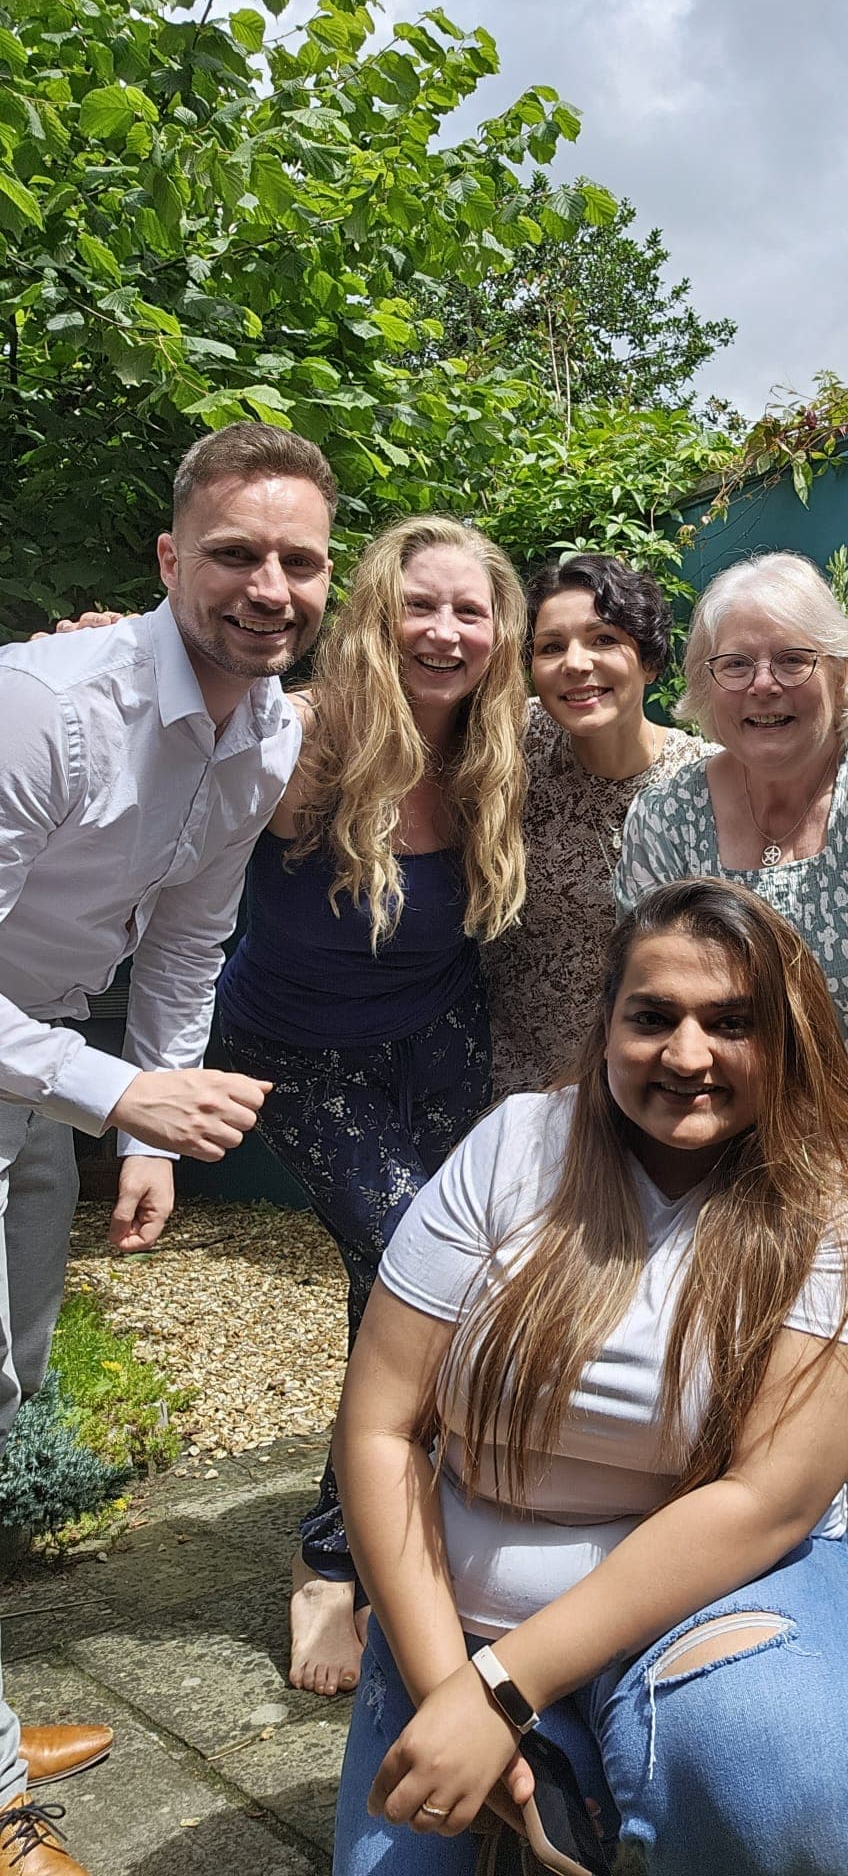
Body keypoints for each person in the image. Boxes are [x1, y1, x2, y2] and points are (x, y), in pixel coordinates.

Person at [332, 878, 848, 1876]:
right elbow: (380, 1426)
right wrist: (452, 1689)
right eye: (654, 1017)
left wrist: (502, 1689)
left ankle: (623, 1773)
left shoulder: (843, 1205)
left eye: (730, 1022)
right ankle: (567, 1781)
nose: (687, 1053)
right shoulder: (515, 1148)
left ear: (786, 1037)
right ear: (606, 1027)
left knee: (770, 1780)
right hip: (460, 1616)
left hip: (723, 1592)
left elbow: (766, 1502)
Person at [0, 424, 336, 1874]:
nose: (271, 585)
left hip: (41, 1078)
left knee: (6, 1383)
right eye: (237, 553)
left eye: (301, 559)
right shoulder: (43, 708)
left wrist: (152, 1115)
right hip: (40, 1058)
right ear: (168, 559)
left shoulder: (267, 731)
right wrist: (114, 1093)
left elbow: (193, 934)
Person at [614, 554, 848, 1726]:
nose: (765, 685)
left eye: (793, 660)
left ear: (845, 674)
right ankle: (739, 1530)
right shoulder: (668, 805)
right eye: (737, 663)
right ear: (707, 689)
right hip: (714, 1121)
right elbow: (642, 994)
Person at [215, 516, 528, 1699]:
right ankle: (330, 1560)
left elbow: (641, 736)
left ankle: (409, 1520)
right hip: (295, 1052)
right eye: (420, 605)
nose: (446, 632)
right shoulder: (293, 740)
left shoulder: (499, 747)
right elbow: (162, 815)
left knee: (417, 1282)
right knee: (414, 1265)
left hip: (443, 1032)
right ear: (374, 614)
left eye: (471, 610)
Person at [484, 554, 711, 1101]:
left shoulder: (705, 782)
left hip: (648, 1083)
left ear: (649, 661)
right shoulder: (510, 743)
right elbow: (406, 712)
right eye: (551, 647)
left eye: (603, 639)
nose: (575, 663)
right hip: (508, 1076)